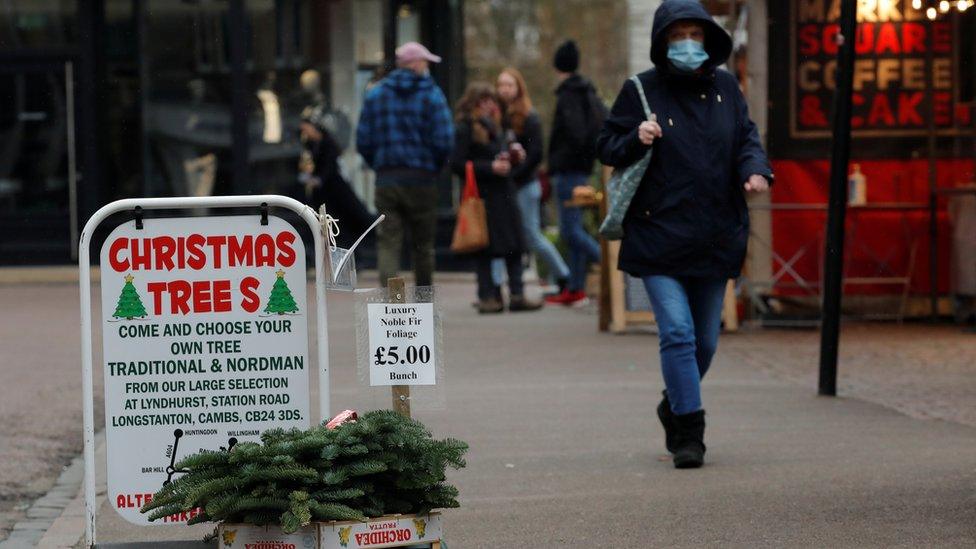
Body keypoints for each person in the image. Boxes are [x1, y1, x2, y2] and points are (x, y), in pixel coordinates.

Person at [597, 0, 773, 469]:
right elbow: (606, 145)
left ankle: (674, 399)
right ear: (663, 41)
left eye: (696, 34)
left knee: (706, 341)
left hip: (716, 231)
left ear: (709, 39)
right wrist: (637, 137)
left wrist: (755, 172)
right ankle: (689, 433)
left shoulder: (727, 87)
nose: (688, 44)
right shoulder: (641, 89)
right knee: (677, 332)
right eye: (678, 36)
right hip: (657, 233)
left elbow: (747, 140)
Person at [356, 42, 454, 287]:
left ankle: (391, 305)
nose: (427, 67)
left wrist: (380, 165)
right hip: (423, 179)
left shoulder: (376, 95)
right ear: (415, 63)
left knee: (388, 242)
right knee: (423, 246)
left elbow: (363, 140)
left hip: (387, 179)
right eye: (426, 62)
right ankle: (423, 302)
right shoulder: (432, 94)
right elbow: (444, 140)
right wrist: (434, 167)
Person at [451, 82, 542, 314]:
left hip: (505, 191)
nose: (489, 105)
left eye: (491, 100)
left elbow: (502, 151)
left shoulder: (498, 125)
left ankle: (517, 293)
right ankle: (488, 296)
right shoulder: (464, 128)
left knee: (514, 245)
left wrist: (514, 156)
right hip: (482, 196)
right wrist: (490, 167)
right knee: (484, 248)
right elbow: (457, 164)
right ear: (472, 103)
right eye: (483, 100)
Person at [495, 67, 572, 296]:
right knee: (499, 234)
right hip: (504, 186)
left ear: (519, 88)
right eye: (501, 84)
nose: (504, 90)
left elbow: (537, 153)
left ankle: (563, 274)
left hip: (525, 185)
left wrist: (516, 176)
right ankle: (496, 284)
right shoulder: (495, 117)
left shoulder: (530, 116)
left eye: (509, 84)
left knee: (531, 234)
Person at [548, 40, 605, 307]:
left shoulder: (568, 95)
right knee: (575, 228)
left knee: (570, 232)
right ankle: (576, 286)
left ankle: (611, 266)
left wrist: (561, 158)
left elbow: (574, 132)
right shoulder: (587, 92)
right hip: (582, 169)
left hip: (569, 169)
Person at [297, 71, 377, 248]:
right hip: (324, 192)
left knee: (340, 222)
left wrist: (319, 178)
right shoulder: (313, 144)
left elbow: (329, 166)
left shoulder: (326, 142)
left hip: (333, 190)